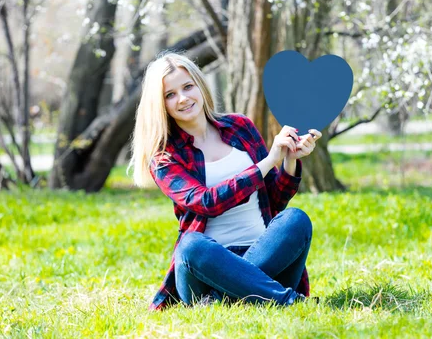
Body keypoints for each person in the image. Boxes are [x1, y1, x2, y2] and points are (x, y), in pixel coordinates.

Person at [129, 51, 322, 311]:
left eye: (188, 87)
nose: (183, 98)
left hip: (266, 254)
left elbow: (275, 199)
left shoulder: (239, 127)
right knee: (191, 245)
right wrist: (267, 163)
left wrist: (288, 158)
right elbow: (207, 202)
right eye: (170, 94)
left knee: (295, 219)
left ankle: (222, 299)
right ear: (159, 104)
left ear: (200, 85)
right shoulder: (164, 157)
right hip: (205, 269)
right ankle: (284, 299)